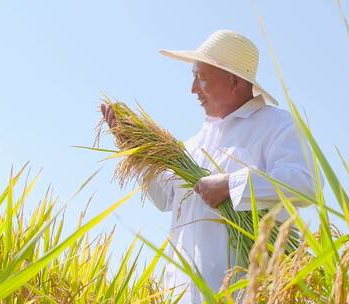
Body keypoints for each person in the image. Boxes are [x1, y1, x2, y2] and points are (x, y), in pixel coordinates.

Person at [101, 30, 318, 303]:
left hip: (241, 294)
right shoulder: (193, 145)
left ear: (234, 81)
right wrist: (133, 147)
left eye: (201, 77)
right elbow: (165, 199)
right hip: (181, 295)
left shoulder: (275, 125)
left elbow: (304, 184)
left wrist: (231, 185)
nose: (193, 89)